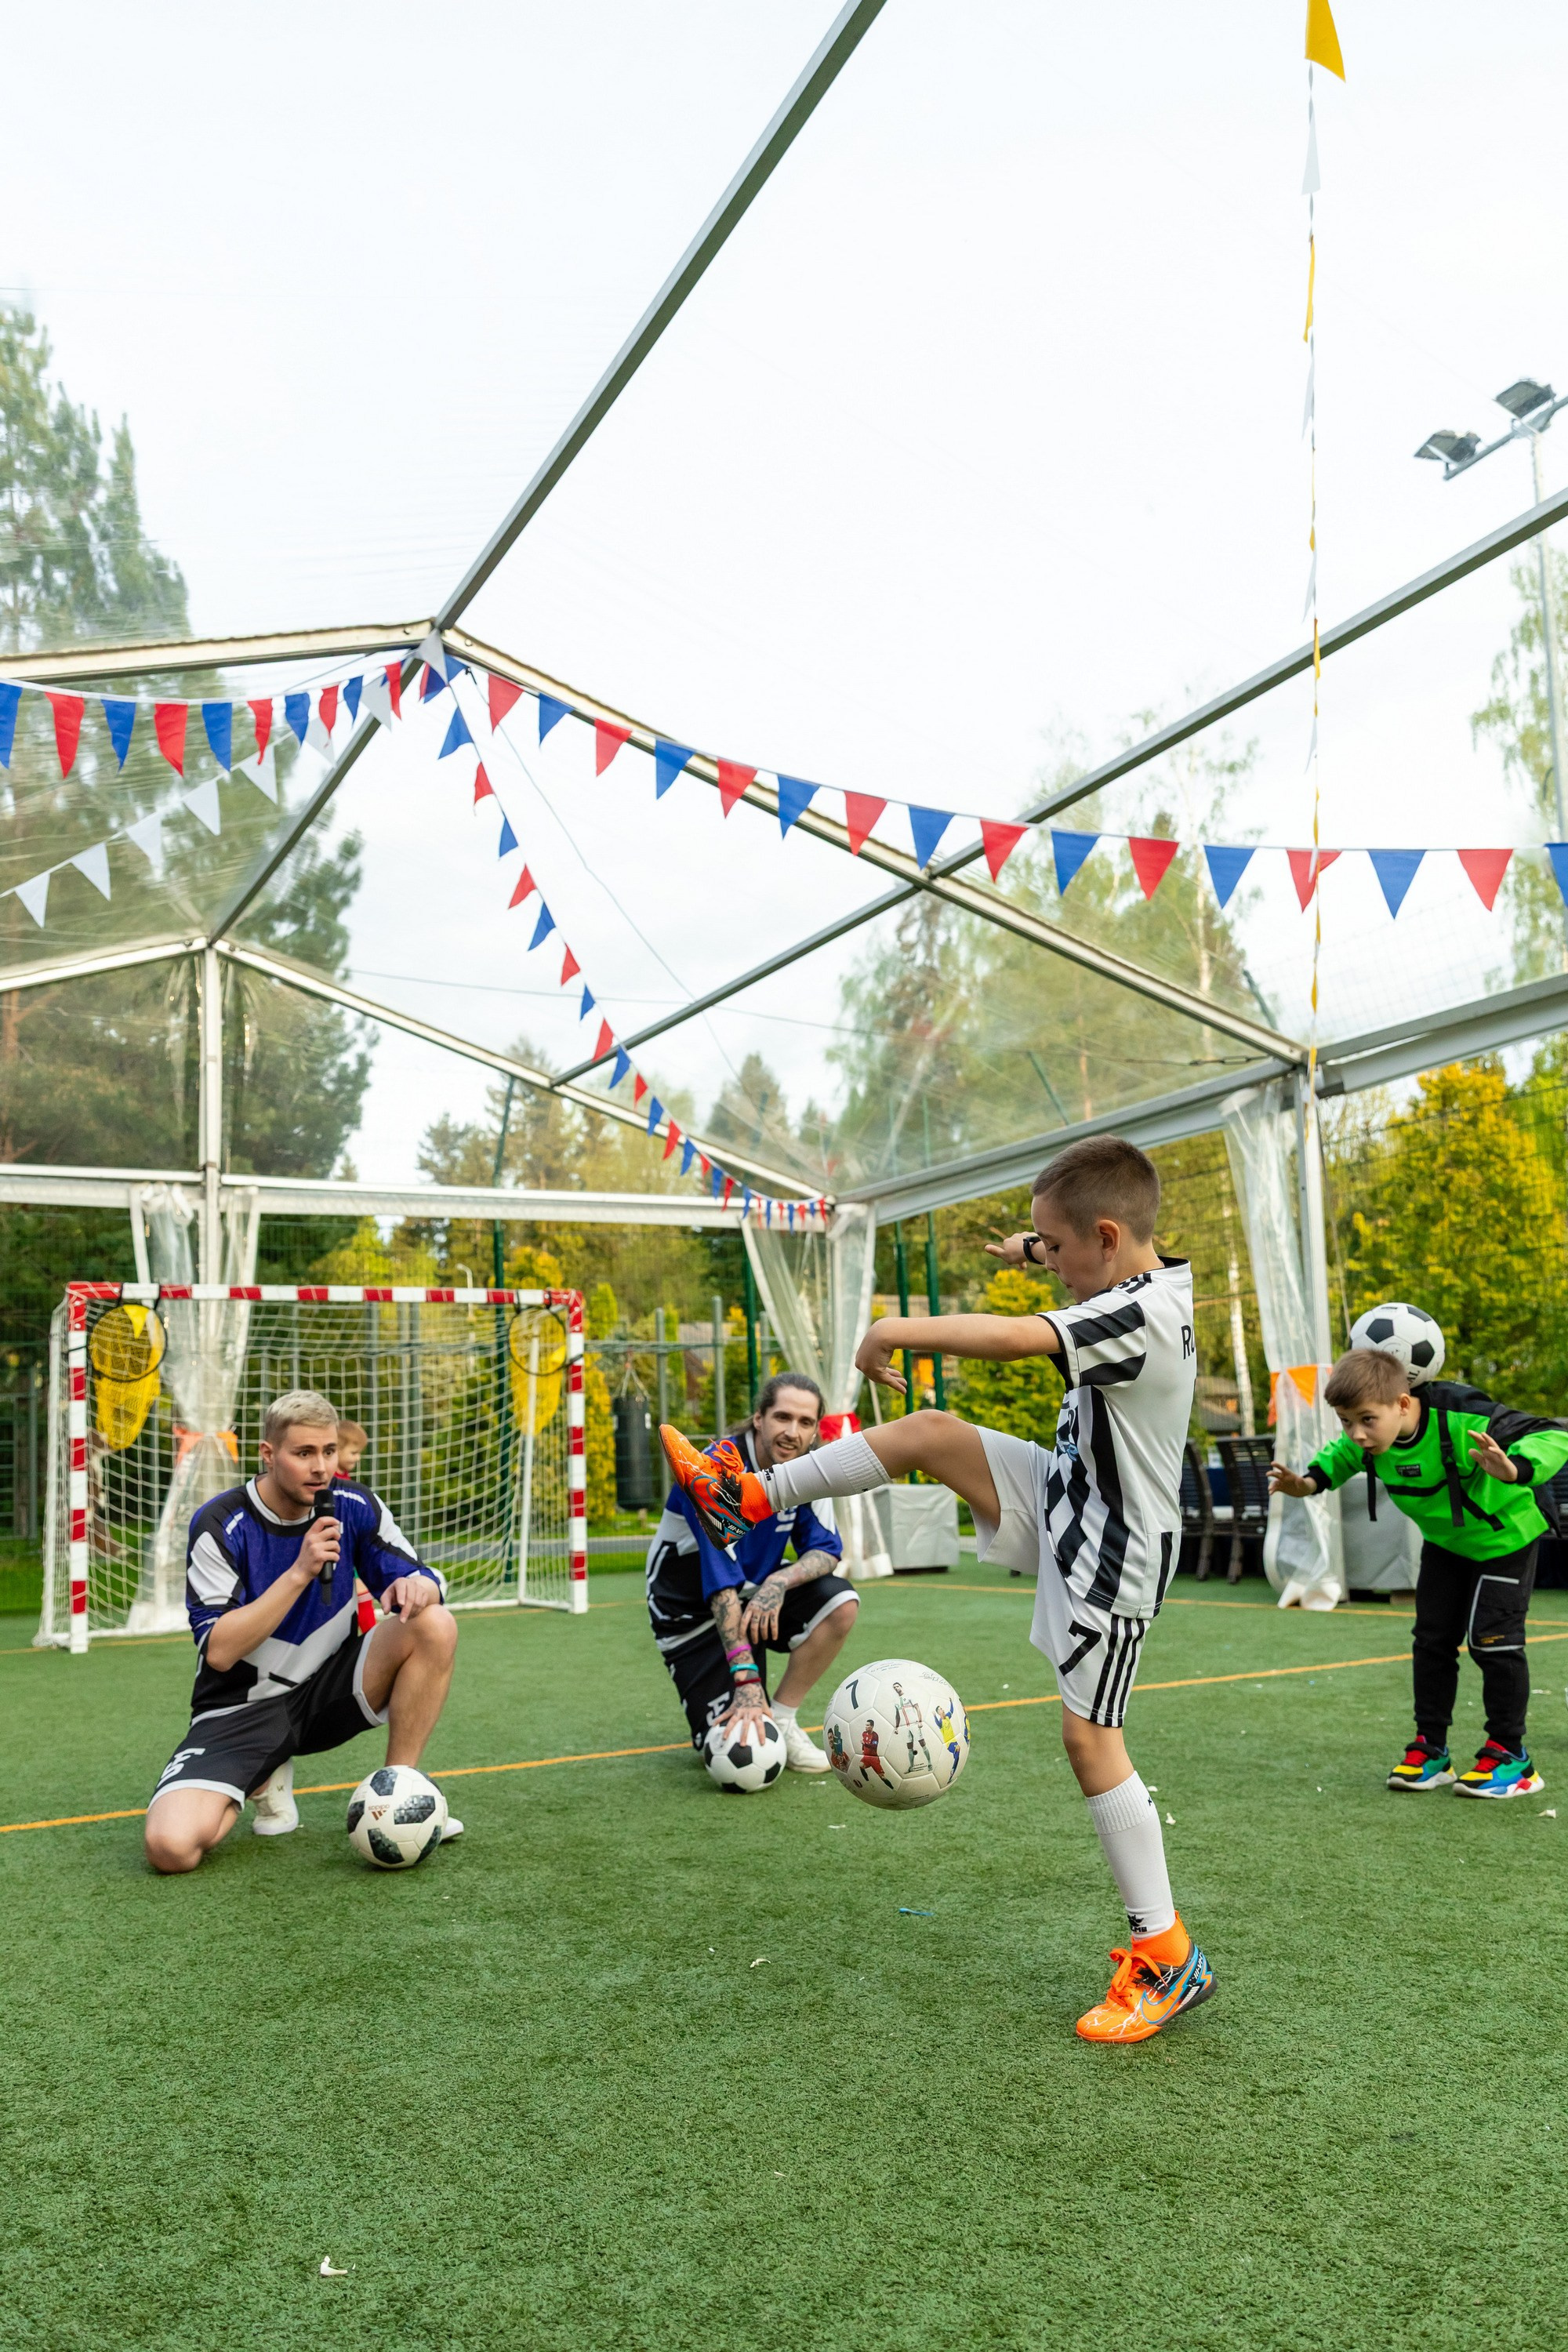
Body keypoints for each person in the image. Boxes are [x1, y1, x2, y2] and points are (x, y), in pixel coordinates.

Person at [662, 1135, 1210, 2045]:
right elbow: (1065, 1262)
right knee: (925, 1431)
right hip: (1068, 1492)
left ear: (1106, 1240)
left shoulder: (1136, 1314)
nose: (1047, 1266)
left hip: (1113, 1549)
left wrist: (891, 1329)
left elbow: (1011, 1340)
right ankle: (747, 1492)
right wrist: (1027, 1246)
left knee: (1089, 1740)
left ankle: (1166, 1956)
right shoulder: (1134, 1271)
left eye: (1057, 1250)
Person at [143, 1389, 463, 1873]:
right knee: (171, 1850)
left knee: (434, 1624)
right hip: (239, 1711)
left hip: (327, 1692)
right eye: (304, 1453)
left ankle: (401, 1792)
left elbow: (422, 1577)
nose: (321, 1467)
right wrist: (299, 1572)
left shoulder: (355, 1505)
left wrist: (417, 1586)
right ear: (268, 1455)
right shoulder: (220, 1522)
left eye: (329, 1452)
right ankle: (257, 1776)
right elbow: (220, 1652)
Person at [1270, 1346, 1568, 1798]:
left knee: (1493, 1642)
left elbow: (1554, 1435)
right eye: (1346, 1422)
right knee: (1431, 1642)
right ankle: (1431, 1750)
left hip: (1506, 1538)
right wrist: (1307, 1483)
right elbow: (1339, 1458)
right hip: (1446, 1543)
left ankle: (1511, 1757)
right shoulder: (1371, 1440)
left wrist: (1515, 1468)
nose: (1357, 1434)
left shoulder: (1462, 1417)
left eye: (1366, 1420)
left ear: (1403, 1404)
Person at [646, 1371, 859, 1775]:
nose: (792, 1433)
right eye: (782, 1417)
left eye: (805, 1422)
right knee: (728, 1744)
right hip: (688, 1616)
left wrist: (778, 1582)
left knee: (841, 1602)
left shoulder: (810, 1470)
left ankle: (782, 1719)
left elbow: (828, 1551)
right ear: (759, 1418)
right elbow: (720, 1584)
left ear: (815, 1430)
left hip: (754, 1594)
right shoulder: (711, 1470)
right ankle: (748, 1695)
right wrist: (745, 1681)